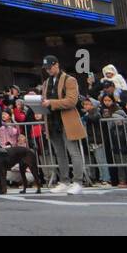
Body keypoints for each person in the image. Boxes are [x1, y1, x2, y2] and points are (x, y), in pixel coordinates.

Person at [40, 54, 87, 194]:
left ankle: (78, 181)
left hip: (67, 121)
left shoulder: (70, 80)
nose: (48, 70)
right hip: (52, 121)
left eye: (50, 67)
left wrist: (51, 103)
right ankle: (64, 181)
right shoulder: (46, 83)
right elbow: (44, 101)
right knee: (59, 153)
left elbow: (72, 101)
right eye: (46, 68)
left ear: (56, 64)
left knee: (74, 152)